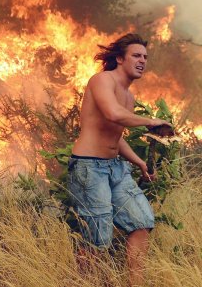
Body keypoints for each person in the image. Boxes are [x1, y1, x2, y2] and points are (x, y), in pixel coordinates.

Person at [68, 33, 172, 286]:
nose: (142, 61)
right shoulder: (103, 80)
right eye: (136, 55)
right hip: (89, 168)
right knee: (97, 239)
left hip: (116, 169)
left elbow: (115, 135)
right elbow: (113, 114)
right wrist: (152, 121)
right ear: (119, 58)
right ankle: (85, 282)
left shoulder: (129, 95)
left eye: (145, 57)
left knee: (141, 221)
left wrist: (139, 162)